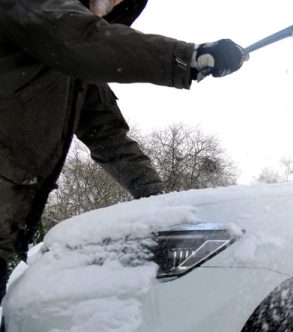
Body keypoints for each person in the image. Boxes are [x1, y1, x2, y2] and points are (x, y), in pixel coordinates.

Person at [0, 0, 248, 303]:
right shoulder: (39, 13)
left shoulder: (74, 71)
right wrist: (189, 56)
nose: (111, 2)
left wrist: (158, 201)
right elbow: (82, 40)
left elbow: (109, 138)